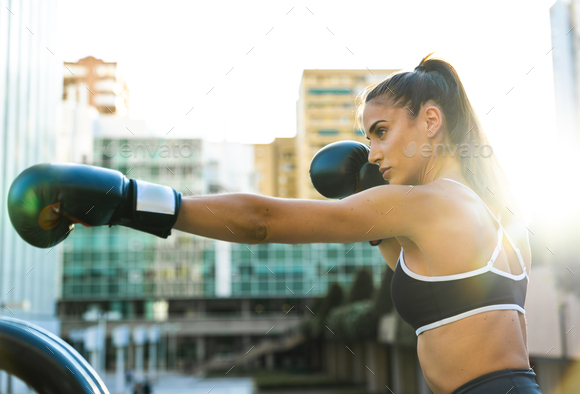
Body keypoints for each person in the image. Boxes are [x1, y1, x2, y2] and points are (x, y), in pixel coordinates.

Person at [6, 53, 542, 394]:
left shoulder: (433, 203)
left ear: (430, 120)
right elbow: (414, 271)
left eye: (380, 132)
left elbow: (262, 221)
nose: (372, 152)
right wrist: (370, 199)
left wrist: (129, 200)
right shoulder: (488, 212)